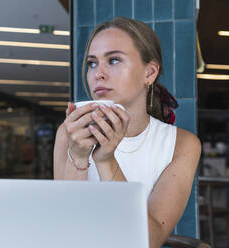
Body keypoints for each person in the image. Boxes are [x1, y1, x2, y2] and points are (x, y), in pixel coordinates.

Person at [53, 17, 201, 248]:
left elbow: (149, 241)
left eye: (113, 60)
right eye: (92, 63)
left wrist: (106, 161)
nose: (98, 74)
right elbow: (64, 231)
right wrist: (79, 158)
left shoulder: (181, 145)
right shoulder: (69, 132)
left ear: (149, 73)